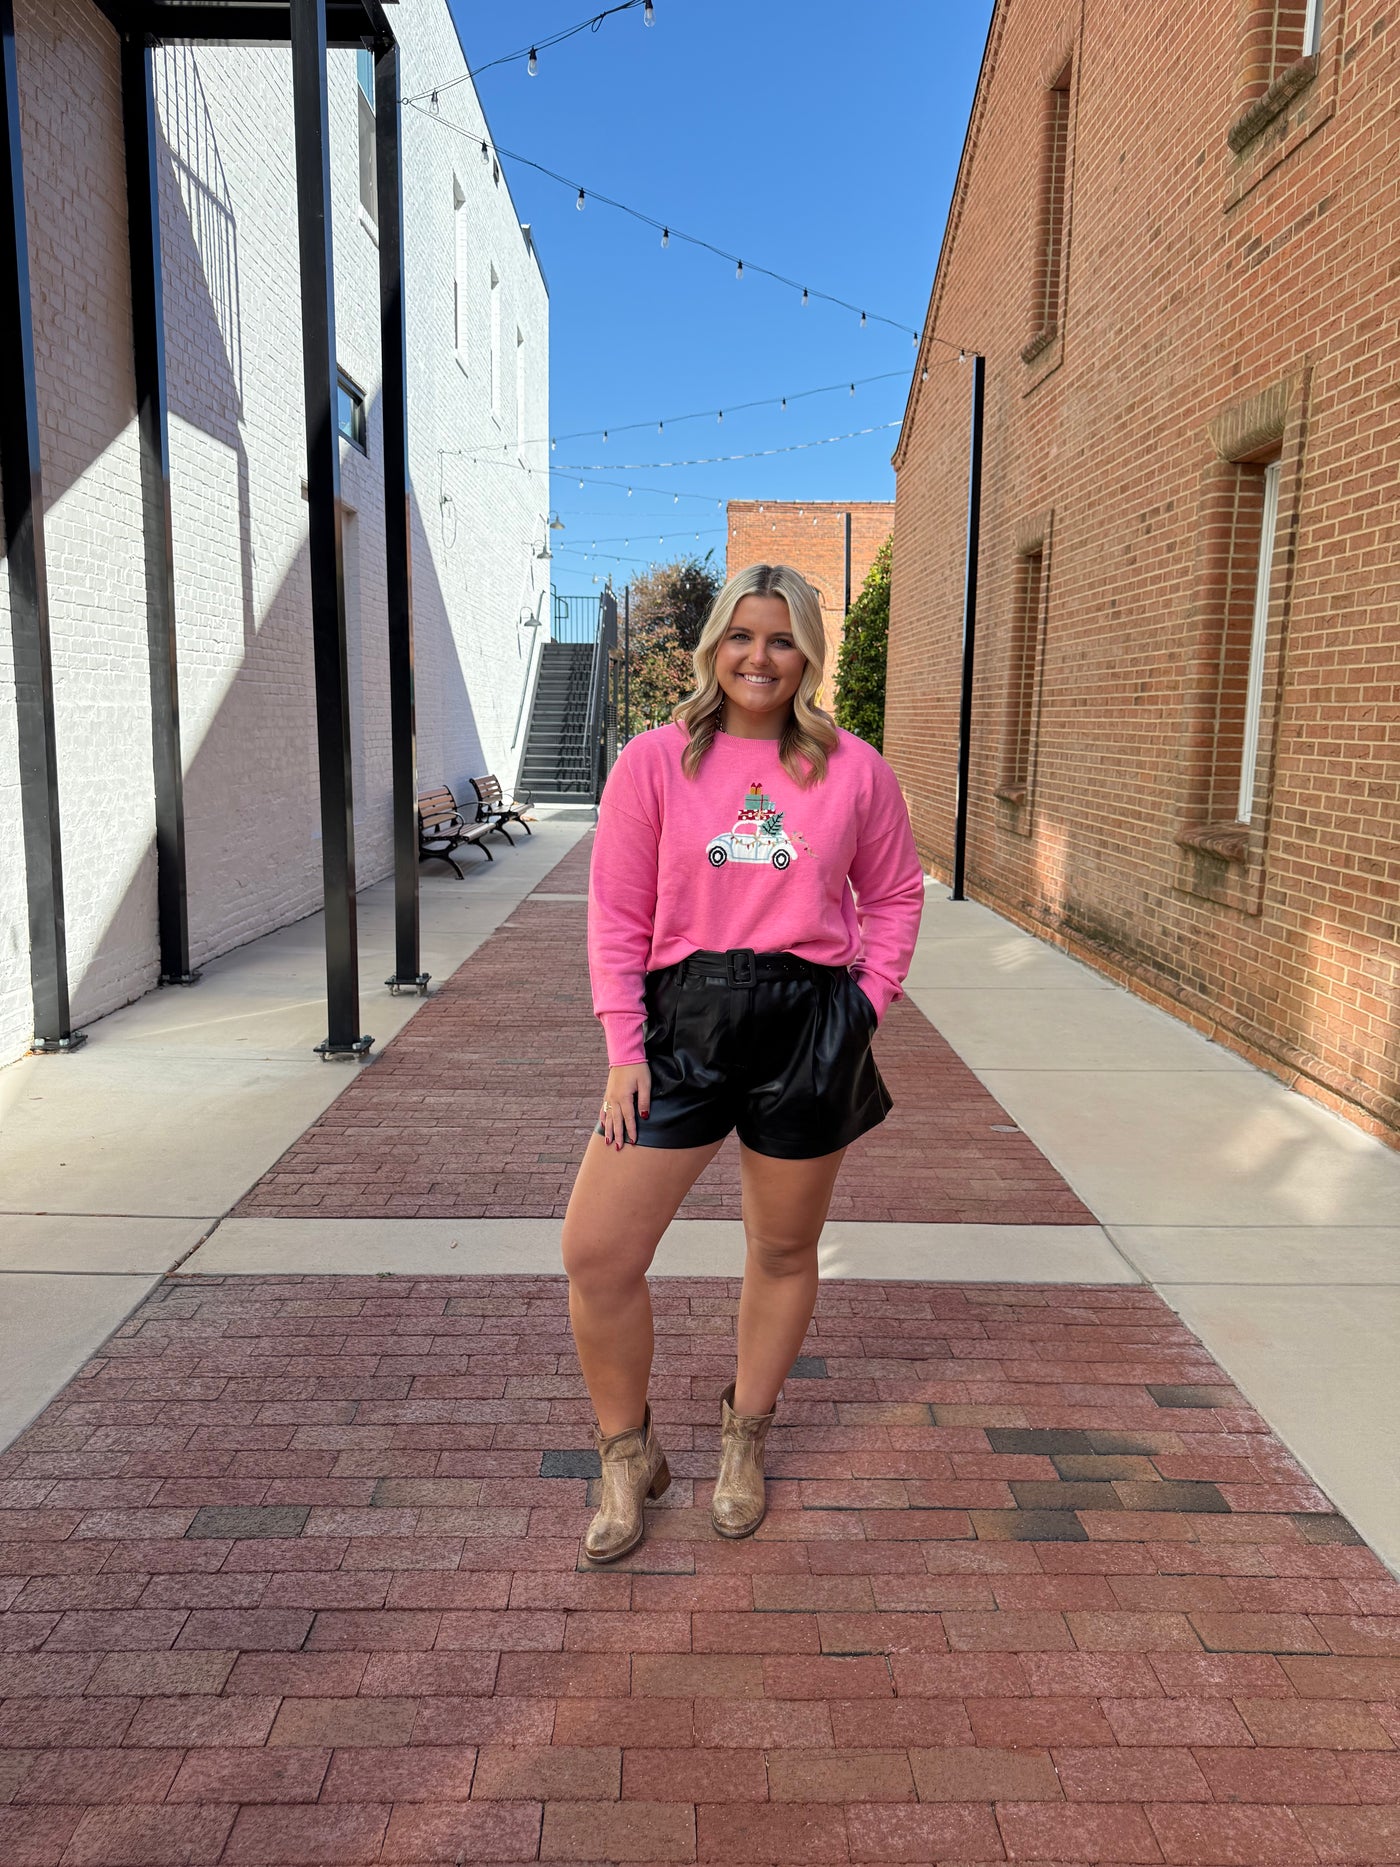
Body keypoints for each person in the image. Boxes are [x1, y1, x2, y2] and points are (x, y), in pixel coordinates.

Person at [561, 562, 925, 1563]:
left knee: (781, 1248)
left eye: (781, 639)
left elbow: (895, 894)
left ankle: (744, 1437)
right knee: (597, 1252)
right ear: (713, 645)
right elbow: (616, 913)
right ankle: (626, 1453)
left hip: (809, 1025)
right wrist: (623, 1048)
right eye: (741, 635)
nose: (759, 657)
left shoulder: (854, 769)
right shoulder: (654, 761)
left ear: (807, 654)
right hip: (680, 1025)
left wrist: (864, 1006)